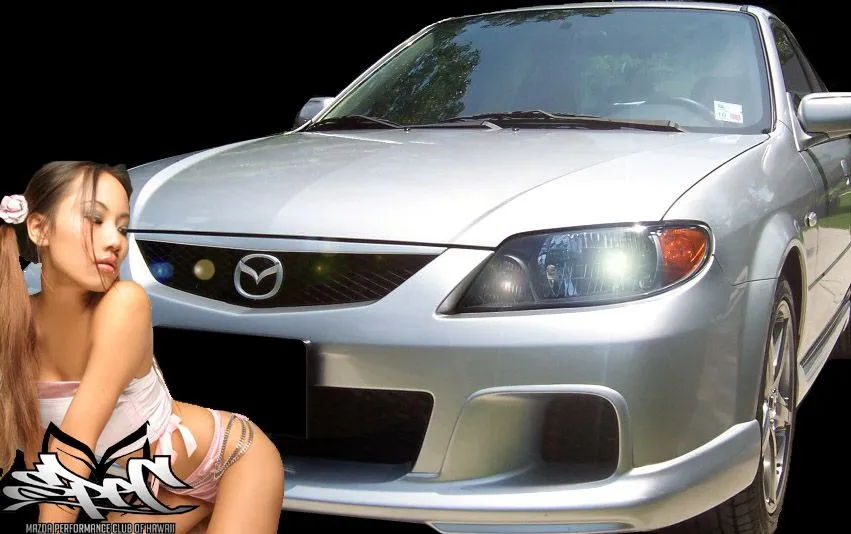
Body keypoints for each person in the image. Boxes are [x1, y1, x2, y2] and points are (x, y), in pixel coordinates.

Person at [0, 161, 286, 533]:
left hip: (233, 460)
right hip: (158, 490)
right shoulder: (14, 323)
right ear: (39, 228)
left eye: (122, 227)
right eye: (95, 219)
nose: (115, 241)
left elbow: (75, 440)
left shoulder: (124, 304)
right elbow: (42, 457)